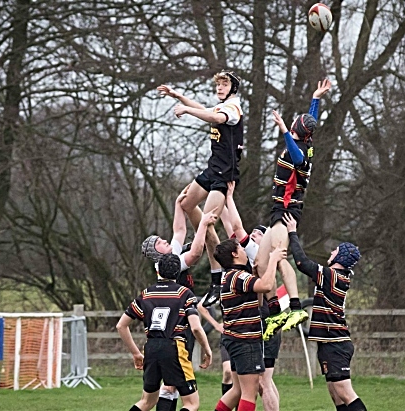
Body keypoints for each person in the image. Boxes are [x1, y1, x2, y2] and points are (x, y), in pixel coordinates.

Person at [157, 70, 244, 306]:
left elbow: (215, 119)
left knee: (208, 223)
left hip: (224, 175)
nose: (219, 88)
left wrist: (186, 110)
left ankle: (218, 280)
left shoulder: (233, 108)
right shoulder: (221, 106)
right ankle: (203, 237)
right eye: (217, 85)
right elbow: (206, 111)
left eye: (224, 85)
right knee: (186, 203)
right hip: (211, 170)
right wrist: (178, 96)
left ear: (233, 88)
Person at [259, 79, 332, 339]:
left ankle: (296, 307)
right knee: (260, 263)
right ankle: (276, 312)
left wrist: (283, 131)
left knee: (278, 257)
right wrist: (315, 98)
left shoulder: (299, 150)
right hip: (277, 209)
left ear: (296, 132)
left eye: (292, 127)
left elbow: (297, 156)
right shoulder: (306, 138)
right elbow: (308, 124)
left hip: (288, 209)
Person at [141, 188, 218, 410]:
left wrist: (178, 205)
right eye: (159, 242)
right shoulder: (166, 263)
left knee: (171, 385)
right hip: (179, 324)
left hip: (172, 325)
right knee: (176, 387)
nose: (164, 240)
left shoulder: (168, 258)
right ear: (156, 253)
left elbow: (179, 230)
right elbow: (194, 253)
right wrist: (203, 224)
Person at [284, 213, 368, 411]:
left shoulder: (333, 276)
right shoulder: (335, 276)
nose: (331, 252)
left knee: (344, 391)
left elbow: (302, 263)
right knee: (335, 393)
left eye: (335, 250)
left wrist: (292, 233)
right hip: (329, 343)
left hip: (336, 344)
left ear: (341, 257)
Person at [117, 253, 213, 411]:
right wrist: (206, 349)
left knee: (147, 402)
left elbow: (121, 326)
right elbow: (195, 327)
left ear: (158, 271)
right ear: (178, 273)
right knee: (191, 403)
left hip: (151, 348)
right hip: (174, 347)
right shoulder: (185, 294)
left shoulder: (146, 294)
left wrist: (136, 353)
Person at [212, 238, 286, 411]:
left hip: (233, 339)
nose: (246, 251)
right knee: (249, 392)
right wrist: (273, 259)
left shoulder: (230, 276)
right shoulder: (239, 276)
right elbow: (267, 286)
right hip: (245, 341)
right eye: (242, 249)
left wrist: (256, 275)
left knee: (237, 390)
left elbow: (259, 301)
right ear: (235, 254)